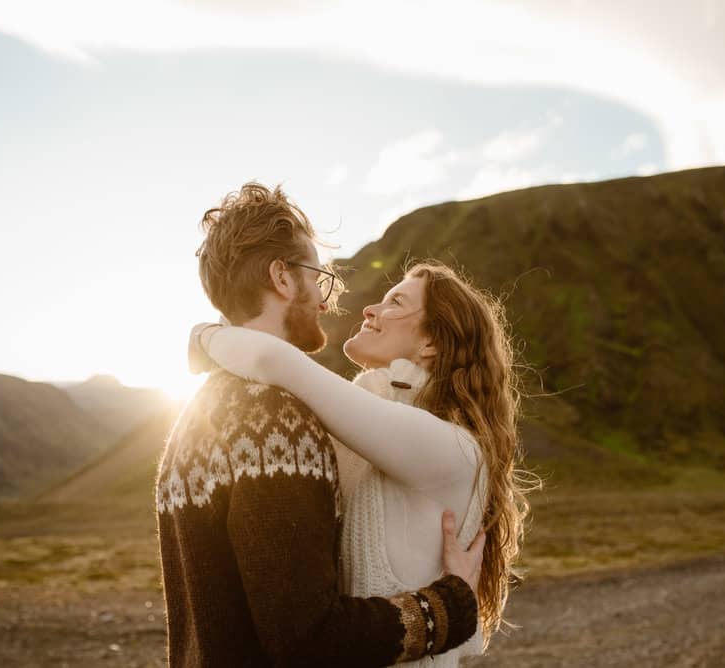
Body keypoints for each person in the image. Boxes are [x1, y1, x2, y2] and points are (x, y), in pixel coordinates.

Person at [155, 182, 486, 667]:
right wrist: (451, 605)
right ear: (283, 280)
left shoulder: (195, 417)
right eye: (319, 277)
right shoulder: (274, 419)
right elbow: (309, 641)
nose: (330, 301)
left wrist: (205, 336)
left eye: (396, 303)